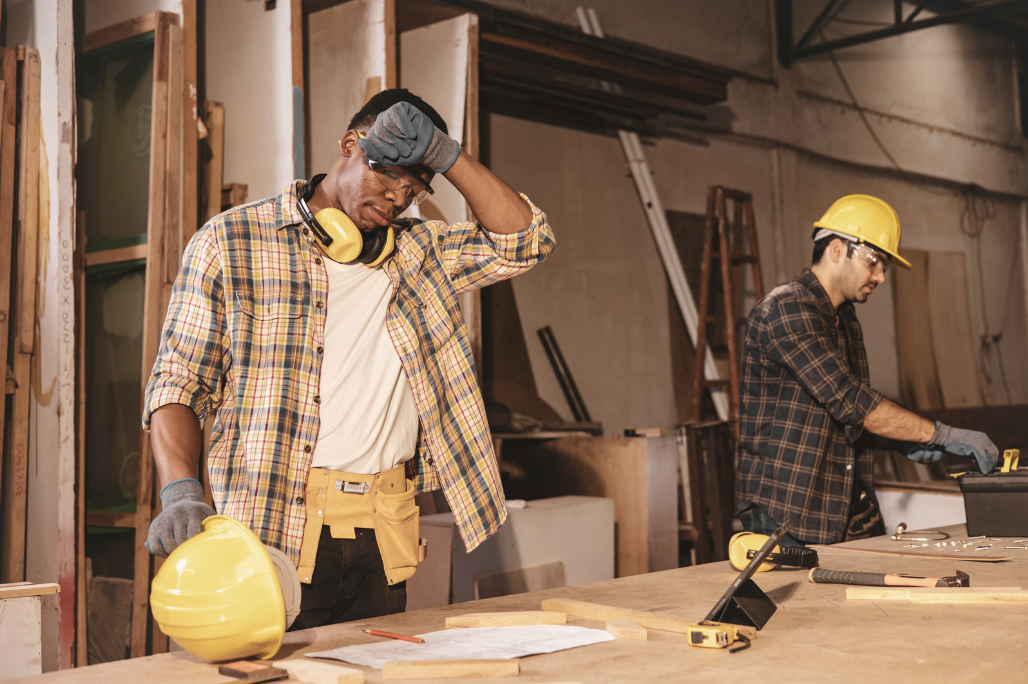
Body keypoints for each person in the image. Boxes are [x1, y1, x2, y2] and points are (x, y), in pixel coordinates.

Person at [142, 89, 554, 628]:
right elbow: (179, 382)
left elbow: (525, 242)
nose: (397, 199)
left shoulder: (419, 253)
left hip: (385, 536)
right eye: (388, 179)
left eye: (412, 190)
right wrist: (179, 493)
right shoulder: (231, 241)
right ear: (349, 144)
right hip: (272, 532)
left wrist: (447, 155)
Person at [735, 194, 998, 547]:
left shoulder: (845, 320)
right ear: (836, 249)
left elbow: (841, 417)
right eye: (874, 261)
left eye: (884, 266)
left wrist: (900, 440)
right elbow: (849, 400)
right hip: (785, 512)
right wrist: (940, 434)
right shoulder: (787, 309)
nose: (880, 276)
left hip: (838, 506)